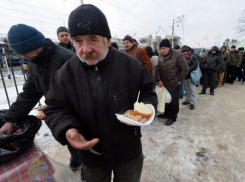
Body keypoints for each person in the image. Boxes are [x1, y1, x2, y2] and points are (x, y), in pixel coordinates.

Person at [43, 4, 157, 182]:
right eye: (78, 41)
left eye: (93, 39)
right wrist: (68, 128)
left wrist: (147, 109)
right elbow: (55, 108)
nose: (85, 49)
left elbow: (148, 92)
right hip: (91, 156)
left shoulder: (131, 65)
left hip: (128, 152)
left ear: (108, 40)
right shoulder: (66, 73)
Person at [0, 24, 85, 179]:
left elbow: (83, 96)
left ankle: (87, 170)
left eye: (25, 52)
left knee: (85, 146)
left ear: (35, 44)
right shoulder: (34, 63)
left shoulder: (67, 59)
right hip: (60, 115)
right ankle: (77, 159)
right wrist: (11, 119)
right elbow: (29, 93)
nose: (23, 56)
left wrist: (53, 107)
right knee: (71, 140)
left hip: (79, 116)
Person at [156, 39, 188, 126]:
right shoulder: (161, 56)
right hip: (164, 83)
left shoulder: (178, 54)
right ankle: (166, 113)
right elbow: (157, 69)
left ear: (169, 47)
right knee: (166, 99)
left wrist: (178, 80)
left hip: (174, 83)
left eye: (164, 48)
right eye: (161, 48)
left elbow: (185, 69)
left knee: (173, 101)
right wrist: (159, 80)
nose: (162, 50)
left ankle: (172, 117)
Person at [181, 45, 198, 110]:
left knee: (192, 90)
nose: (184, 52)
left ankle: (192, 103)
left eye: (185, 51)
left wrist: (187, 69)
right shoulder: (181, 57)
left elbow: (195, 65)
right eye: (183, 51)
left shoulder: (192, 56)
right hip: (185, 77)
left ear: (188, 51)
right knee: (186, 90)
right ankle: (187, 100)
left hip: (191, 77)